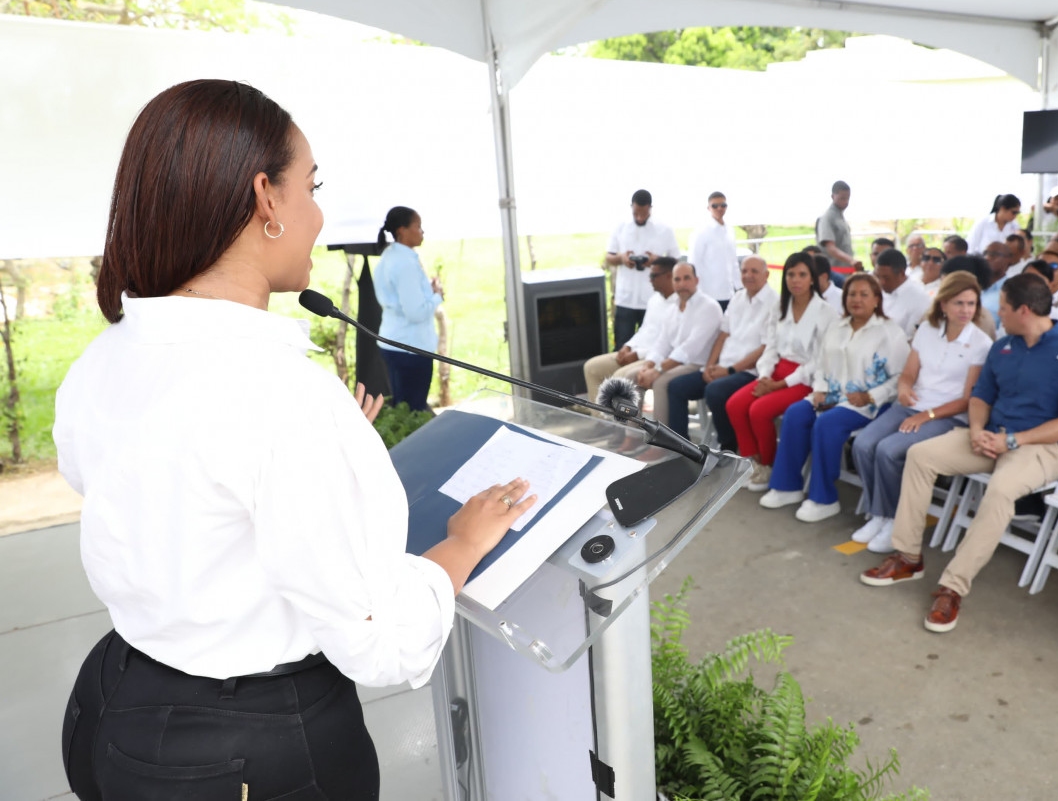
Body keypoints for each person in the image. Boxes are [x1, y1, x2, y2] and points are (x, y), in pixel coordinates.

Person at [53, 79, 538, 799]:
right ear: (266, 199)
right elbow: (380, 641)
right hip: (244, 752)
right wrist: (462, 545)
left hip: (111, 705)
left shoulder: (108, 354)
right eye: (311, 187)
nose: (318, 214)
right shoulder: (280, 395)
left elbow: (140, 485)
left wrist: (313, 464)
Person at [860, 274, 1058, 633]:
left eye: (1002, 307)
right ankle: (908, 556)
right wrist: (975, 431)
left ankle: (953, 587)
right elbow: (981, 397)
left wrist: (1012, 441)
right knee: (920, 456)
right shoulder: (1003, 347)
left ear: (1023, 310)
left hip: (1040, 448)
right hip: (989, 437)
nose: (996, 313)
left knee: (1000, 490)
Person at [850, 272, 993, 552]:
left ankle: (895, 521)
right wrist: (904, 387)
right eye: (959, 303)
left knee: (889, 450)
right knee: (863, 444)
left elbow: (968, 400)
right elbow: (909, 374)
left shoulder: (981, 344)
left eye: (971, 304)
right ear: (943, 304)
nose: (966, 310)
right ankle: (879, 514)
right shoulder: (927, 330)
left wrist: (927, 416)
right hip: (911, 405)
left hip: (947, 416)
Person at [760, 273, 910, 521]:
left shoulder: (890, 333)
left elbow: (901, 377)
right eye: (851, 294)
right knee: (796, 414)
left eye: (864, 294)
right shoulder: (837, 327)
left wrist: (871, 396)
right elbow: (821, 363)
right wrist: (819, 388)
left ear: (876, 299)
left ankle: (824, 498)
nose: (856, 299)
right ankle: (787, 486)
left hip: (868, 403)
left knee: (827, 424)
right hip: (831, 394)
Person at [726, 252, 838, 491]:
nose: (795, 280)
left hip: (805, 378)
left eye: (802, 274)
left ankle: (769, 465)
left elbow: (820, 360)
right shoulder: (780, 307)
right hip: (776, 371)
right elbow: (771, 346)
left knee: (759, 410)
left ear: (812, 278)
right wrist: (765, 376)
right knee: (735, 404)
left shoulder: (825, 312)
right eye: (790, 274)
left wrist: (779, 385)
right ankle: (753, 462)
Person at [665, 255, 777, 450]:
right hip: (722, 368)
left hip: (749, 372)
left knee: (715, 391)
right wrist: (709, 366)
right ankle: (680, 449)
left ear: (766, 275)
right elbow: (723, 334)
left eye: (754, 271)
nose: (748, 275)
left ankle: (728, 447)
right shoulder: (738, 297)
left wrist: (730, 370)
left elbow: (765, 348)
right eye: (744, 271)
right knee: (675, 387)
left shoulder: (775, 302)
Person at [633, 262, 723, 429]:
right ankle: (632, 434)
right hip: (675, 362)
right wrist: (648, 365)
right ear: (672, 282)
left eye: (687, 278)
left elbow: (691, 348)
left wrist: (658, 370)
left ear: (696, 280)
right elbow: (662, 343)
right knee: (633, 376)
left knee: (661, 382)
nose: (682, 284)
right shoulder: (673, 308)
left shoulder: (709, 307)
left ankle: (662, 440)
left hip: (698, 365)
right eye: (677, 279)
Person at [373, 205, 444, 411]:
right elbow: (416, 313)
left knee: (402, 407)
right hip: (411, 347)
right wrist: (437, 297)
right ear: (402, 231)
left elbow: (399, 296)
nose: (422, 231)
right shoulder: (406, 263)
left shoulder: (390, 255)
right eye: (418, 226)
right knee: (414, 411)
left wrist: (428, 291)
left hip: (393, 342)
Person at [583, 256, 676, 400]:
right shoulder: (655, 299)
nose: (650, 280)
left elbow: (670, 345)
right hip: (638, 352)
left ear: (668, 276)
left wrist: (638, 354)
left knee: (620, 377)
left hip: (658, 357)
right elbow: (644, 330)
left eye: (653, 276)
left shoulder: (680, 304)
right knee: (592, 367)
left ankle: (623, 415)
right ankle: (601, 414)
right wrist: (628, 347)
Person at [605, 188, 680, 348]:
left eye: (644, 214)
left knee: (652, 346)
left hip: (652, 299)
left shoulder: (664, 229)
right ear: (631, 207)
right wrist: (622, 258)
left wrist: (656, 261)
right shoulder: (620, 227)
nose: (640, 217)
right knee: (622, 346)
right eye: (636, 214)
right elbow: (609, 258)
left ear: (650, 208)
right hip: (625, 298)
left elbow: (675, 261)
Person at [687, 191, 741, 311]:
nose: (719, 208)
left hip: (729, 293)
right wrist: (696, 293)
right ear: (708, 208)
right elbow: (694, 264)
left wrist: (740, 287)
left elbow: (733, 262)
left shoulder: (730, 231)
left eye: (723, 205)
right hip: (708, 294)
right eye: (715, 206)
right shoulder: (701, 232)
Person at [874, 248, 931, 339]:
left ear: (901, 273)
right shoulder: (877, 292)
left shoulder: (919, 299)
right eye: (878, 276)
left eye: (886, 278)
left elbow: (912, 339)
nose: (881, 282)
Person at [816, 181, 855, 273]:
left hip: (846, 270)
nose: (846, 202)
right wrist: (851, 260)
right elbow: (830, 248)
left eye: (847, 198)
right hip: (834, 271)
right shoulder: (827, 218)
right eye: (842, 198)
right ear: (833, 196)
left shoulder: (840, 217)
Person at [980, 241, 1013, 328]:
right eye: (985, 253)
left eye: (994, 254)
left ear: (1008, 259)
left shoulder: (1011, 291)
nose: (987, 258)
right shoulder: (974, 286)